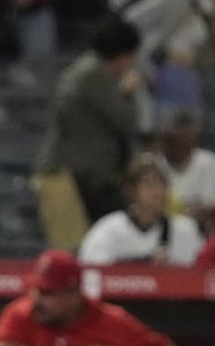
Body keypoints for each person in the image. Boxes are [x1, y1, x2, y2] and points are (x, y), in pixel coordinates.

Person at [33, 15, 141, 250]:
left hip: (80, 177)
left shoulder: (85, 70)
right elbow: (125, 121)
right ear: (122, 54)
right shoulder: (94, 75)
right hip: (65, 178)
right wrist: (129, 93)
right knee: (73, 253)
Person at [0, 249, 182, 346]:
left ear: (74, 295)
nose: (38, 300)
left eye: (48, 293)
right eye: (37, 291)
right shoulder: (21, 312)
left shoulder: (110, 318)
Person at [79, 152, 204, 266]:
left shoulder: (185, 229)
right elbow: (91, 271)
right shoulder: (109, 230)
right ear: (131, 189)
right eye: (148, 183)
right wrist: (145, 262)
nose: (157, 190)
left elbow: (201, 273)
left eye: (161, 183)